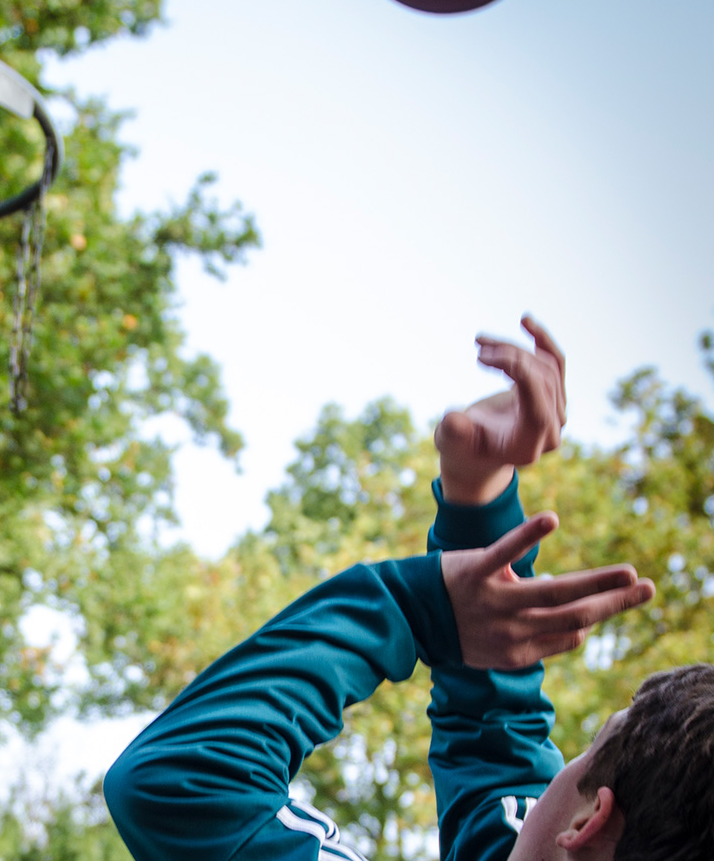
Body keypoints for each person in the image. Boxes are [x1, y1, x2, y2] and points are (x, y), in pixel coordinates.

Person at [104, 316, 713, 861]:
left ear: (587, 821)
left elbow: (179, 784)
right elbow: (498, 754)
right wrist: (478, 497)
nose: (563, 763)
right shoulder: (558, 839)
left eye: (594, 746)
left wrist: (414, 606)